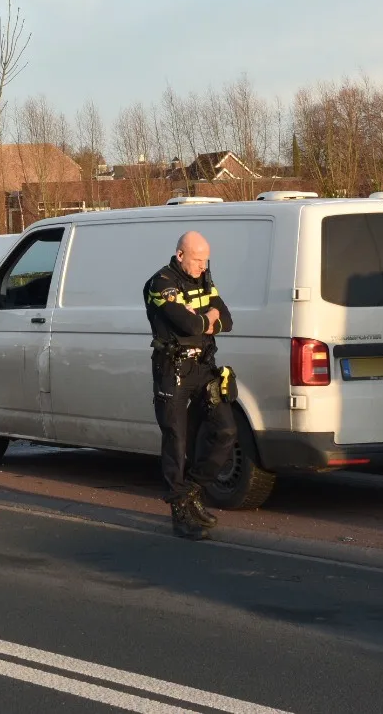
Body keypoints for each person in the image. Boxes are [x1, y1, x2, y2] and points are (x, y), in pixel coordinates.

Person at [143, 230, 236, 540]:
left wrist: (208, 318)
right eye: (197, 259)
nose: (203, 265)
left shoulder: (205, 280)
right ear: (180, 255)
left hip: (203, 367)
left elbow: (228, 320)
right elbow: (190, 324)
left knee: (225, 431)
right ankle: (180, 509)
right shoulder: (161, 283)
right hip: (173, 370)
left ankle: (191, 491)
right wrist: (207, 318)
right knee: (177, 440)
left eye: (206, 259)